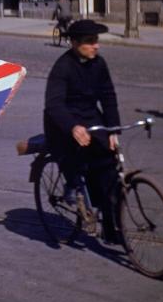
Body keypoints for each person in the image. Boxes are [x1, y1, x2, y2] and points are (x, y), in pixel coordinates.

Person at [43, 20, 121, 238]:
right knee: (75, 157)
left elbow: (108, 96)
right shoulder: (63, 67)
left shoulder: (99, 63)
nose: (96, 46)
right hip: (62, 123)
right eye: (90, 42)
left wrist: (113, 129)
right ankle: (72, 185)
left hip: (91, 118)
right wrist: (73, 127)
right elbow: (54, 104)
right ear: (75, 43)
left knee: (109, 166)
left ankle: (110, 226)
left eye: (96, 41)